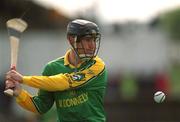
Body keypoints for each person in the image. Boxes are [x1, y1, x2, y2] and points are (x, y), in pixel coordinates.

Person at [5, 19, 108, 122]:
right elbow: (40, 107)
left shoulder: (97, 66)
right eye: (88, 40)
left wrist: (23, 79)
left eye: (94, 40)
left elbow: (64, 82)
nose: (93, 45)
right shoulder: (52, 68)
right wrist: (19, 93)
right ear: (72, 39)